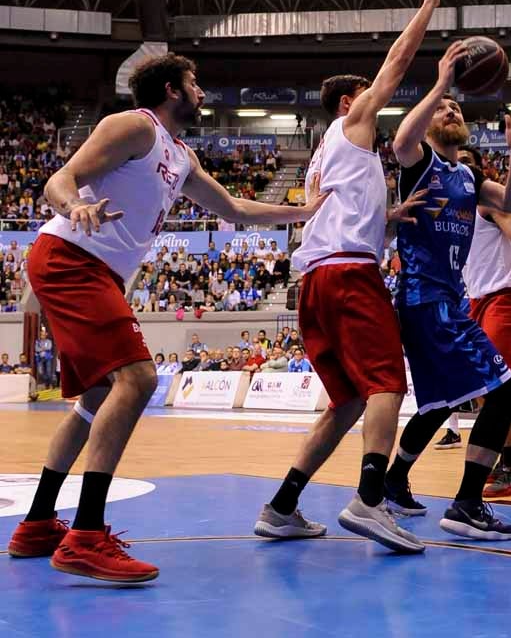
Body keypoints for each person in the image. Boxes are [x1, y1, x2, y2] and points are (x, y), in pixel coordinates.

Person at [7, 53, 326, 582]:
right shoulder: (135, 126)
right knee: (138, 379)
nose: (202, 91)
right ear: (172, 89)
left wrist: (303, 211)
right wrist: (74, 207)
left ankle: (38, 523)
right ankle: (85, 535)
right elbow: (61, 180)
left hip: (99, 271)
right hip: (71, 257)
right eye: (195, 82)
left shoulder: (180, 155)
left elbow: (235, 211)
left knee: (95, 399)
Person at [252, 0, 442, 555]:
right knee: (388, 382)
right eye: (367, 95)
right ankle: (369, 500)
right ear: (346, 101)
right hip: (348, 275)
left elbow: (337, 215)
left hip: (315, 281)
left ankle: (281, 506)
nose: (378, 102)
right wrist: (430, 4)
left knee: (347, 402)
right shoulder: (352, 123)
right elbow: (396, 64)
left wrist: (386, 216)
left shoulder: (329, 156)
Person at [379, 42, 511, 541]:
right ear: (427, 122)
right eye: (443, 108)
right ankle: (467, 503)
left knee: (439, 403)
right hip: (429, 299)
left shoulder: (467, 174)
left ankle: (394, 480)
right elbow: (401, 139)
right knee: (506, 390)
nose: (451, 110)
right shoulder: (418, 160)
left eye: (457, 107)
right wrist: (441, 83)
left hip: (442, 301)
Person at [431, 146, 511, 499]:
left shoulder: (488, 203)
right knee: (485, 390)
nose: (461, 168)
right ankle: (505, 462)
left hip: (504, 296)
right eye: (456, 163)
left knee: (499, 386)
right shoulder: (452, 212)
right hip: (474, 301)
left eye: (468, 163)